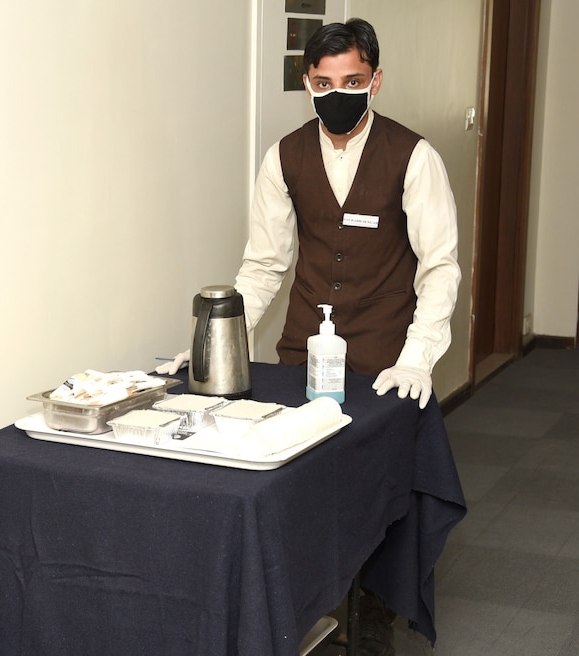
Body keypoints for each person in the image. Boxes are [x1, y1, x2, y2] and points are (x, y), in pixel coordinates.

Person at [158, 18, 460, 656]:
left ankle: (376, 611)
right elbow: (264, 264)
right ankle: (307, 606)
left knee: (381, 485)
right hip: (304, 348)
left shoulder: (414, 157)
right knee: (309, 480)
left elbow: (439, 267)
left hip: (384, 354)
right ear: (307, 84)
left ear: (376, 80)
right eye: (324, 83)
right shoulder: (284, 157)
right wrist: (217, 338)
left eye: (352, 81)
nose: (337, 94)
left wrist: (418, 357)